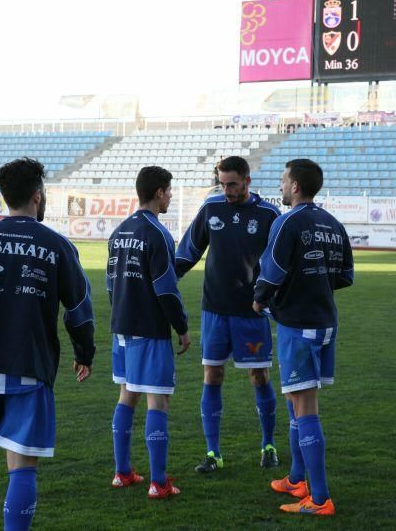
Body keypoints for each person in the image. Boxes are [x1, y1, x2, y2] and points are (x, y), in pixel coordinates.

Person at [0, 158, 96, 530]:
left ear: (5, 196)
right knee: (22, 462)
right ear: (38, 196)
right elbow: (79, 311)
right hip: (30, 366)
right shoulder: (57, 245)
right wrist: (84, 352)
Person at [252, 159, 354, 516]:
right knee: (299, 402)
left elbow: (272, 271)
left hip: (298, 324)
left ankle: (321, 498)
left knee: (305, 406)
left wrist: (260, 298)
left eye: (283, 180)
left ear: (295, 186)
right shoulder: (333, 223)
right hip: (326, 322)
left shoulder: (287, 222)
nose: (281, 186)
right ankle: (297, 477)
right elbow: (344, 276)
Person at [174, 156, 281, 473]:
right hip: (215, 311)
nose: (227, 190)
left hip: (252, 312)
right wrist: (163, 285)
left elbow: (279, 263)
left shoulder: (268, 214)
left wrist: (272, 299)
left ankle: (268, 445)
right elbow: (188, 252)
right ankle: (212, 453)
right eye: (223, 184)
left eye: (233, 184)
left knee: (259, 376)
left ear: (248, 180)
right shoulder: (212, 208)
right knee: (212, 375)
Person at [106, 165, 191, 499]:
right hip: (149, 329)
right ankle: (158, 482)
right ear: (158, 192)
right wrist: (181, 328)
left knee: (128, 393)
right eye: (169, 191)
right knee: (158, 399)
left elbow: (111, 284)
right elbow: (166, 290)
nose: (170, 196)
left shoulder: (119, 231)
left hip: (121, 328)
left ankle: (122, 473)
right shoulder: (157, 234)